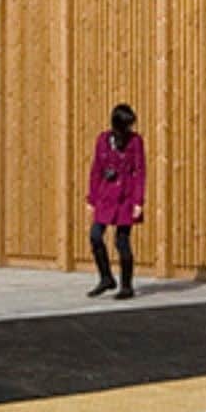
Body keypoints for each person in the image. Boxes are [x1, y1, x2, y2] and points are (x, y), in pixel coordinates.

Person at [85, 103, 145, 299]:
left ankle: (127, 286)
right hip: (106, 195)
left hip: (126, 197)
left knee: (122, 241)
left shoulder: (135, 141)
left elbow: (140, 172)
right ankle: (106, 278)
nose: (129, 128)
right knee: (95, 235)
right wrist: (92, 198)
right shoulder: (103, 140)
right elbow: (96, 170)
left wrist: (138, 201)